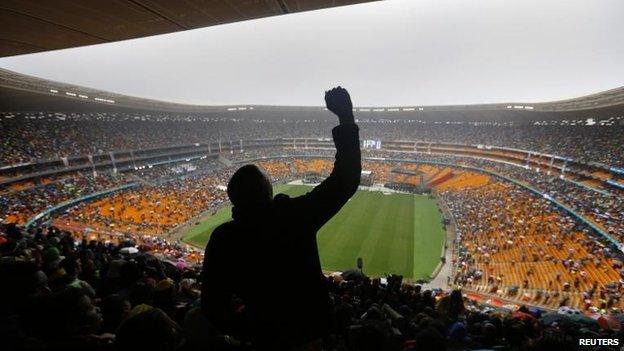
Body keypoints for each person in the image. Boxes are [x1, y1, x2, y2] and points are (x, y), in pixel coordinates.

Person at [201, 87, 361, 350]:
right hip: (308, 336)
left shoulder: (223, 238)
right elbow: (345, 180)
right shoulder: (292, 217)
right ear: (267, 192)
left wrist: (250, 331)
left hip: (263, 338)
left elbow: (212, 306)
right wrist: (346, 117)